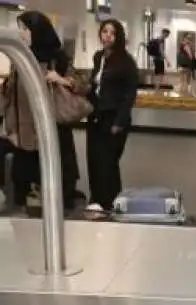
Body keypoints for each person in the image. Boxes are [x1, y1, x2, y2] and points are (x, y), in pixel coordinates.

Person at [2, 10, 81, 213]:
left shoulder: (57, 59)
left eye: (25, 29)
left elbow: (82, 84)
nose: (22, 34)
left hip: (51, 128)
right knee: (24, 180)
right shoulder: (20, 58)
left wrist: (61, 79)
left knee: (53, 177)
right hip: (25, 131)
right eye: (21, 29)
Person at [82, 18, 139, 217]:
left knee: (108, 161)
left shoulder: (126, 62)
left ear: (119, 37)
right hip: (96, 116)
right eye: (104, 31)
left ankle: (108, 200)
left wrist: (120, 122)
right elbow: (95, 85)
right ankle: (97, 199)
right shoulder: (98, 57)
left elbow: (129, 94)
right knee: (94, 159)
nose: (107, 36)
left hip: (114, 119)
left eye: (112, 33)